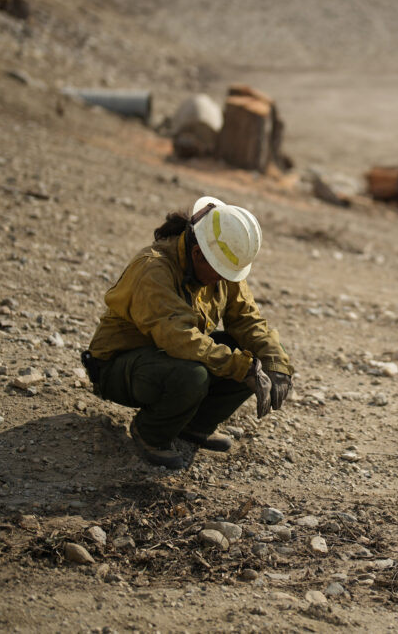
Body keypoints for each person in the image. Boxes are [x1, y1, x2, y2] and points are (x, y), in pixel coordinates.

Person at [83, 196, 294, 469]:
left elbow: (247, 320)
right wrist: (242, 368)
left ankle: (194, 425)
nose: (225, 281)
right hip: (119, 368)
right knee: (193, 375)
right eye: (221, 273)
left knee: (254, 355)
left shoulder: (217, 268)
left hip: (168, 356)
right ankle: (151, 433)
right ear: (197, 254)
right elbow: (179, 338)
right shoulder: (153, 269)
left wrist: (276, 362)